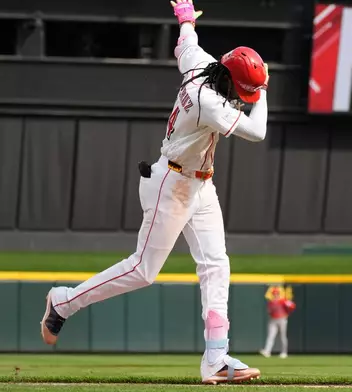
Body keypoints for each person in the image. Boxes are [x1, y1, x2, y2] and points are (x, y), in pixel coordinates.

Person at [39, 0, 269, 384]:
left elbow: (186, 43)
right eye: (243, 88)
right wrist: (262, 93)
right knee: (143, 270)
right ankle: (64, 301)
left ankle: (216, 357)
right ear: (229, 77)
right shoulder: (207, 101)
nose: (244, 94)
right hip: (172, 183)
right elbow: (257, 132)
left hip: (200, 183)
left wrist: (184, 19)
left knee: (216, 264)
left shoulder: (202, 63)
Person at [260, 286, 296, 359]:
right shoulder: (271, 302)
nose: (275, 295)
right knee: (271, 336)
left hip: (282, 319)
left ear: (279, 294)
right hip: (273, 320)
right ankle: (267, 351)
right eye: (274, 294)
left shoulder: (283, 300)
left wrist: (287, 313)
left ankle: (284, 352)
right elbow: (269, 311)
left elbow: (292, 306)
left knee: (283, 336)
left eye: (276, 293)